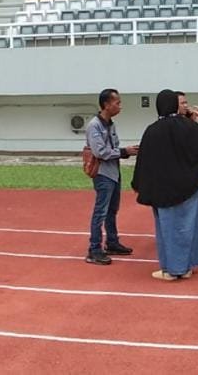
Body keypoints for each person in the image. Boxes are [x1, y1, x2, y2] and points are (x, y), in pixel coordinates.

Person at [132, 89, 198, 281]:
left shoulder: (152, 129)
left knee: (168, 230)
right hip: (188, 187)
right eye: (182, 103)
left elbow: (144, 160)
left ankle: (172, 269)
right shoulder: (187, 127)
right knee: (188, 227)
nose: (186, 106)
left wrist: (140, 184)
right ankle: (186, 266)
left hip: (162, 190)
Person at [85, 88, 139, 265]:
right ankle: (94, 249)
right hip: (102, 174)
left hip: (113, 173)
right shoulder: (95, 125)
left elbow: (112, 148)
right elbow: (100, 152)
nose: (120, 106)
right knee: (100, 211)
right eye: (117, 103)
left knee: (112, 210)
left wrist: (123, 151)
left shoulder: (111, 124)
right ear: (106, 105)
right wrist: (124, 152)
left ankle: (112, 242)